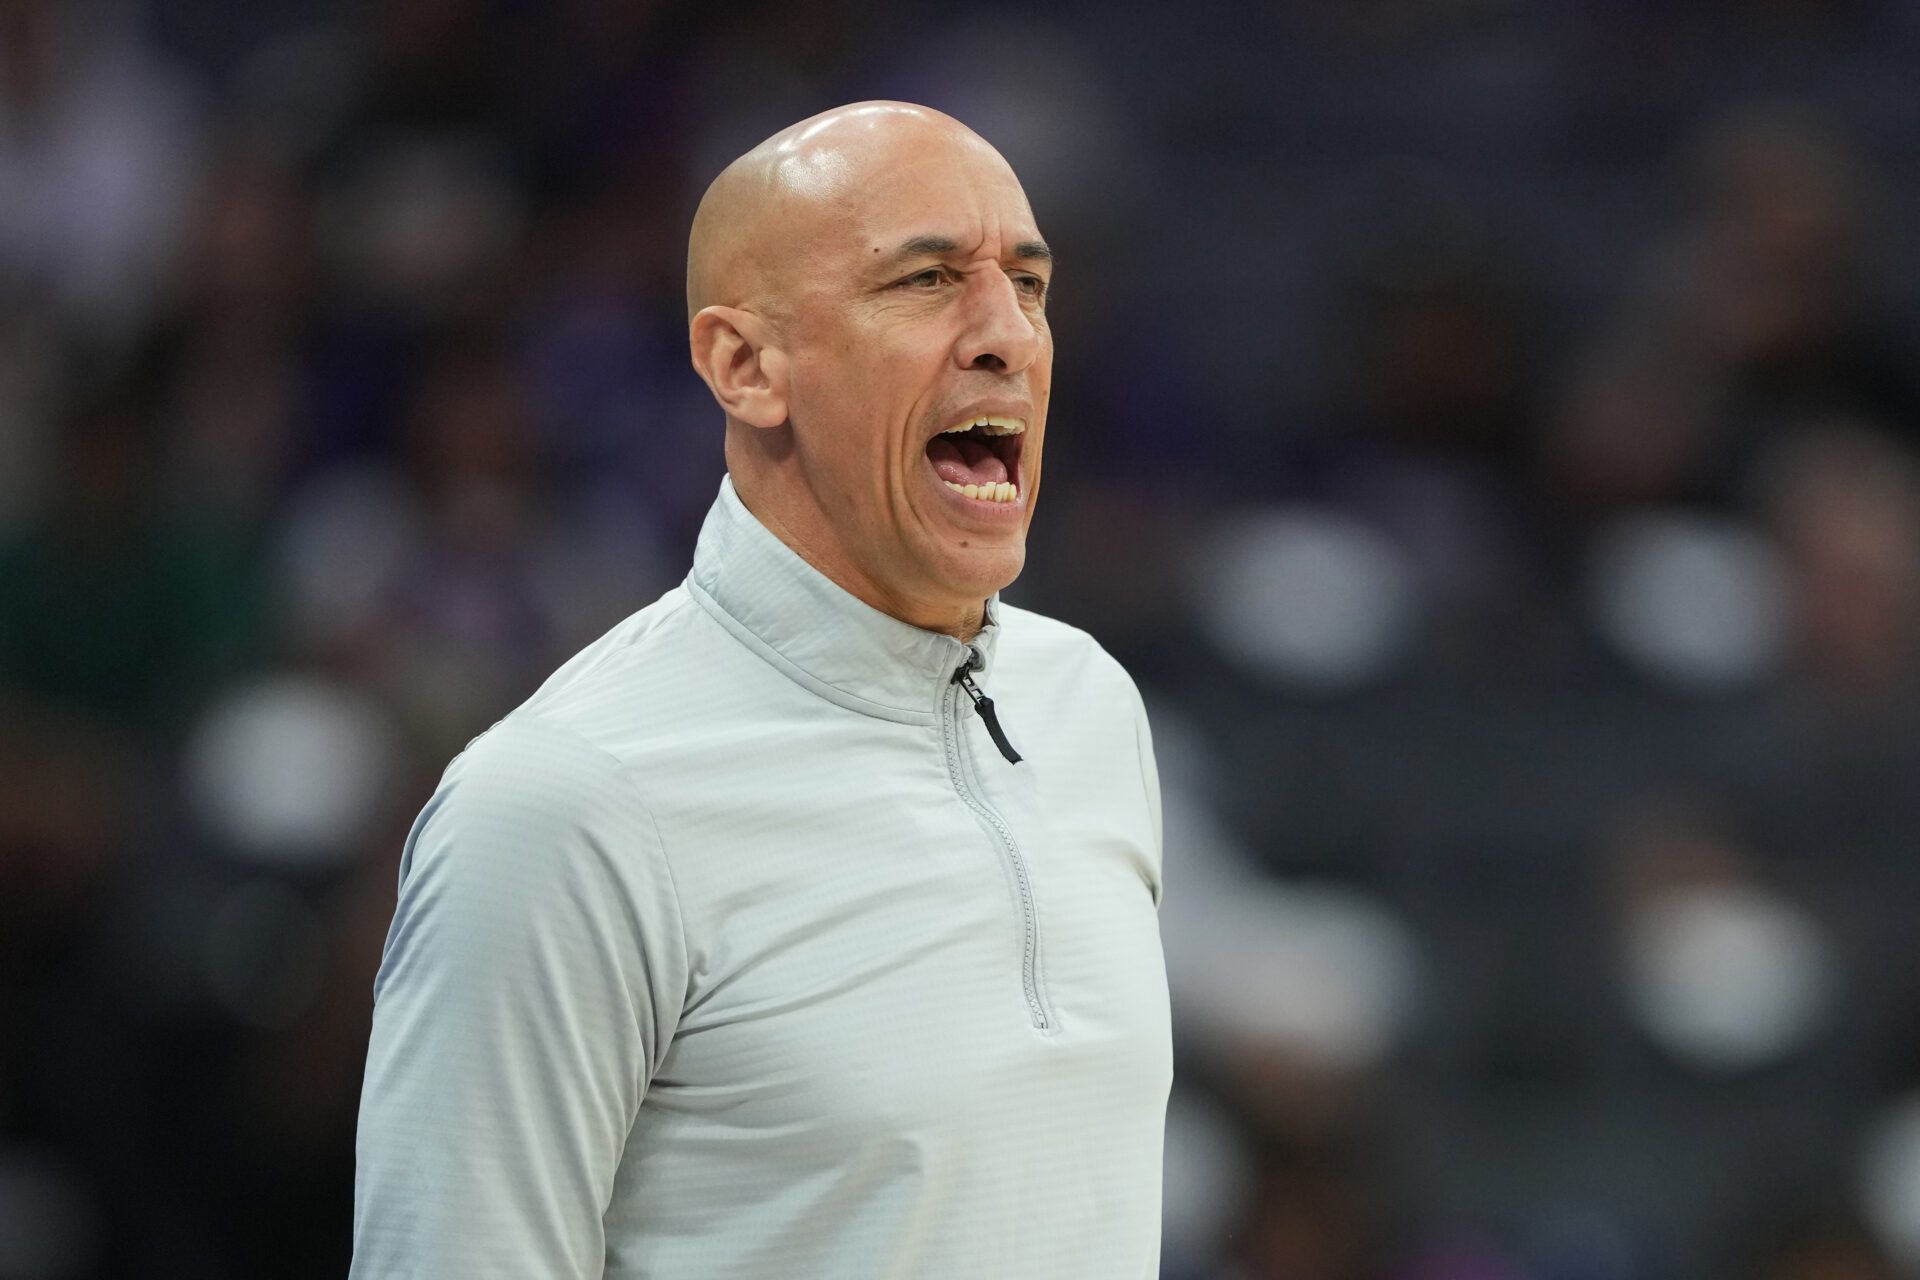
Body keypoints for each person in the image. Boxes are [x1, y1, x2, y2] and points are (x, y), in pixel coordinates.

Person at [349, 101, 1171, 1279]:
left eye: (1029, 286)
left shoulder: (1087, 707)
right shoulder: (562, 805)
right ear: (746, 365)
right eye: (928, 280)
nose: (1009, 337)